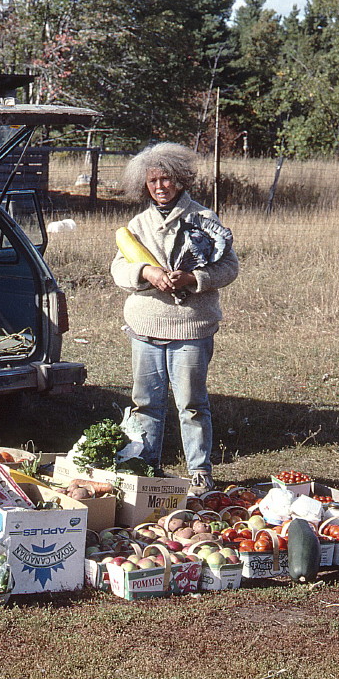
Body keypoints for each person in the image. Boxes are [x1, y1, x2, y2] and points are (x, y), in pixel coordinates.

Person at [109, 143, 239, 495]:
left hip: (190, 327)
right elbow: (118, 268)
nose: (160, 186)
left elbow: (229, 267)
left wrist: (194, 279)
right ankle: (146, 467)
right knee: (146, 403)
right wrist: (146, 272)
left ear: (180, 180)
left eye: (166, 179)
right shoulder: (137, 225)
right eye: (153, 181)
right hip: (145, 326)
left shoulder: (204, 219)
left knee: (192, 404)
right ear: (144, 185)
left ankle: (199, 471)